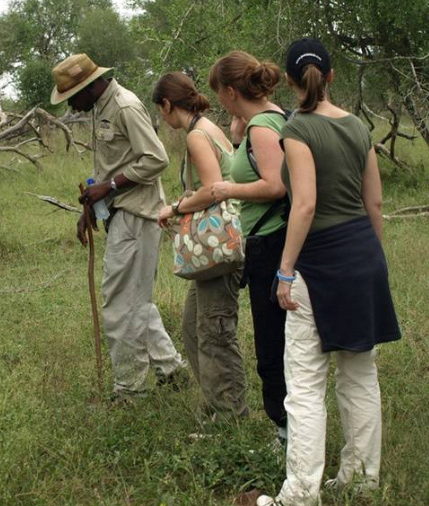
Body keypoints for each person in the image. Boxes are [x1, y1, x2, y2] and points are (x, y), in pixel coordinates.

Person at [257, 38, 402, 506]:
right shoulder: (360, 127)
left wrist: (283, 271)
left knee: (304, 382)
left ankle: (299, 494)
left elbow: (304, 204)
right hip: (362, 254)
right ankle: (361, 480)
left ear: (292, 83)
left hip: (317, 262)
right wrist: (371, 261)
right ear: (331, 76)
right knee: (359, 373)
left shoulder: (297, 129)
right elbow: (374, 201)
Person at [50, 54, 187, 400]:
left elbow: (157, 159)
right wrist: (93, 208)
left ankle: (130, 388)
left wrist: (110, 188)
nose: (72, 105)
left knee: (118, 304)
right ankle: (171, 370)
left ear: (90, 86)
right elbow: (114, 165)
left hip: (137, 214)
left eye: (73, 97)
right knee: (137, 302)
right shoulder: (100, 107)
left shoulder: (124, 106)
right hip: (120, 213)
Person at [152, 71, 247, 418]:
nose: (161, 118)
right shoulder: (209, 127)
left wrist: (175, 208)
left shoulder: (196, 135)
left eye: (160, 110)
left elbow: (212, 188)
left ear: (167, 104)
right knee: (194, 327)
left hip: (218, 247)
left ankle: (230, 416)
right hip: (217, 245)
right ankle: (215, 404)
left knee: (215, 333)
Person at [208, 51, 289, 439]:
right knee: (279, 342)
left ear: (229, 90)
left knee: (272, 346)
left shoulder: (263, 126)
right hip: (271, 239)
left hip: (272, 243)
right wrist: (238, 139)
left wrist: (229, 188)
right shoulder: (269, 119)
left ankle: (285, 433)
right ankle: (289, 428)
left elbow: (275, 184)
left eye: (219, 94)